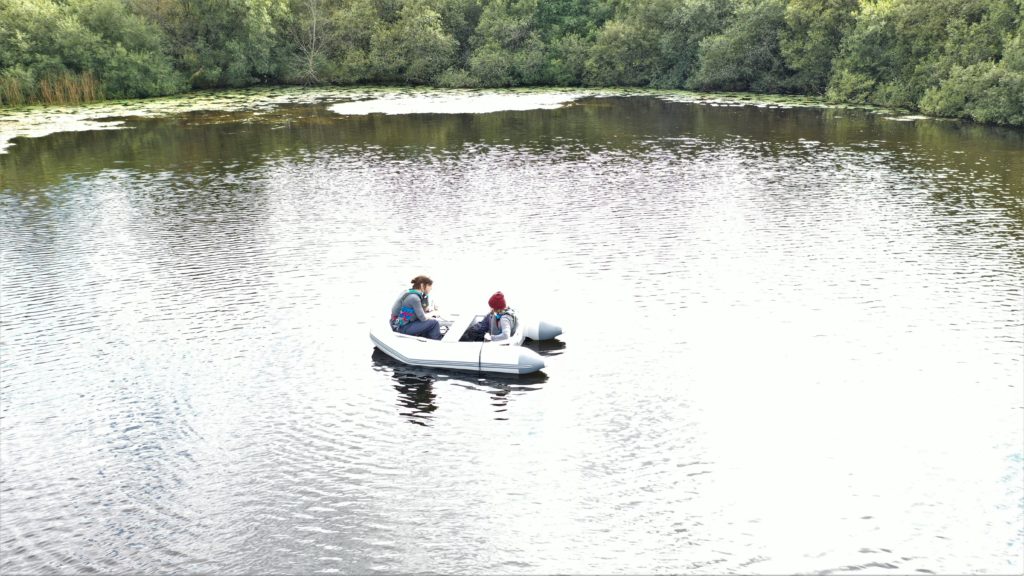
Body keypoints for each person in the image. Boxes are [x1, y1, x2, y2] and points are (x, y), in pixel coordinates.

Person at [390, 275, 442, 340]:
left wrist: (428, 310)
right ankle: (436, 343)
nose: (431, 288)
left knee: (429, 322)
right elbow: (423, 318)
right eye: (429, 285)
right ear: (422, 285)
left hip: (396, 324)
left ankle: (426, 338)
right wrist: (432, 315)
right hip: (401, 328)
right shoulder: (414, 298)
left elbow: (408, 311)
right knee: (435, 323)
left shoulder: (407, 292)